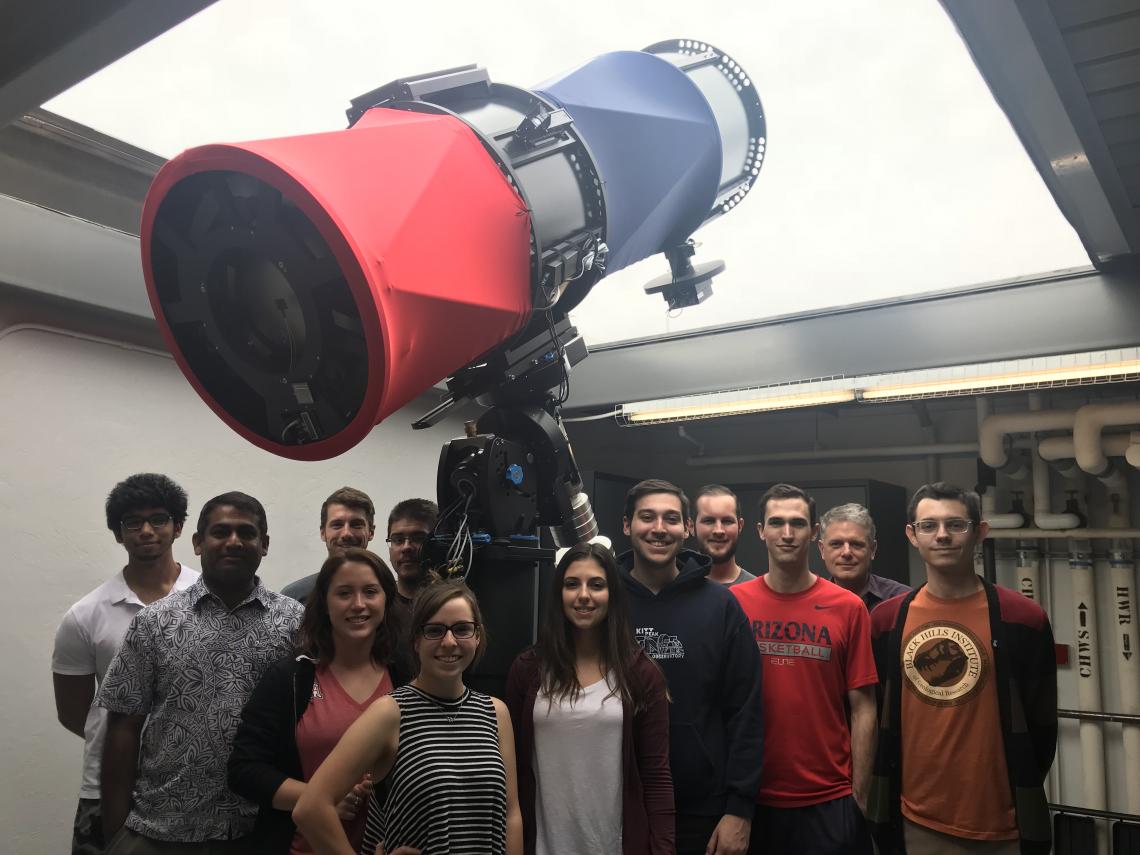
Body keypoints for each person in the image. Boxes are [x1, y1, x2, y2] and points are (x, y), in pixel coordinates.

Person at [98, 492, 304, 853]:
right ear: (197, 542)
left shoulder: (295, 623)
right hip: (161, 830)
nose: (234, 542)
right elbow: (123, 727)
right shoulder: (154, 622)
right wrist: (116, 834)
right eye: (220, 532)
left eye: (247, 532)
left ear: (264, 544)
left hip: (259, 830)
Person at [867, 483, 1057, 855]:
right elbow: (875, 716)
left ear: (979, 532)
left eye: (956, 524)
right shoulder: (886, 621)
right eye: (928, 525)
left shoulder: (1023, 619)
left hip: (1003, 827)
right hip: (913, 822)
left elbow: (1041, 724)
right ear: (911, 535)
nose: (941, 535)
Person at [294, 581, 523, 855]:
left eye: (462, 629)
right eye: (434, 631)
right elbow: (311, 807)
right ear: (415, 640)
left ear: (477, 636)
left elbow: (511, 815)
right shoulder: (390, 713)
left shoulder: (495, 712)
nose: (449, 642)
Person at [229, 548, 413, 855]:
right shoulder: (291, 678)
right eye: (344, 593)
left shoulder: (405, 673)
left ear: (386, 600)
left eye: (370, 591)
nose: (358, 604)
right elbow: (244, 770)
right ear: (325, 604)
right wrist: (319, 800)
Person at [52, 474, 199, 855]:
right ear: (119, 534)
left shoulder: (210, 599)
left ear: (178, 526)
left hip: (195, 785)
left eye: (159, 519)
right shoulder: (85, 615)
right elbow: (75, 714)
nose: (146, 530)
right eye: (133, 522)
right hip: (107, 785)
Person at [619, 479, 763, 855]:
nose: (659, 528)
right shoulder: (605, 603)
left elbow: (746, 711)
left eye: (671, 519)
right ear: (626, 525)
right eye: (647, 517)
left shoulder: (722, 606)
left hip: (704, 810)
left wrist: (739, 810)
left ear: (686, 528)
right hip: (615, 801)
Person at [732, 483, 877, 855]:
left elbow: (863, 708)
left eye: (797, 523)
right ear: (760, 530)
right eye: (776, 523)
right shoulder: (733, 604)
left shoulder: (848, 608)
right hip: (751, 799)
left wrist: (858, 798)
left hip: (829, 799)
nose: (786, 533)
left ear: (814, 533)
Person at [506, 542, 674, 855]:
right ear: (558, 594)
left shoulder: (641, 673)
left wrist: (664, 848)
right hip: (543, 846)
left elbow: (656, 775)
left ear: (613, 595)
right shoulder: (528, 669)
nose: (584, 595)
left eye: (597, 585)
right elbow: (512, 771)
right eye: (572, 584)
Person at [282, 487, 379, 603]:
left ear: (371, 532)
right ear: (323, 533)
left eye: (356, 525)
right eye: (337, 525)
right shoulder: (293, 598)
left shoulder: (389, 593)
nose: (346, 533)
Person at [818, 503, 910, 611]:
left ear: (872, 549)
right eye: (836, 544)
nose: (846, 553)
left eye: (856, 544)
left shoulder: (903, 600)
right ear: (822, 550)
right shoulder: (811, 603)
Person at [383, 498, 439, 628]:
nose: (406, 547)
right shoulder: (378, 607)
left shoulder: (456, 605)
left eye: (419, 538)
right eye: (398, 539)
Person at [693, 485, 757, 587]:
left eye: (727, 521)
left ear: (740, 526)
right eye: (709, 521)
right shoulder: (676, 590)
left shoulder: (754, 591)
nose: (719, 530)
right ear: (692, 527)